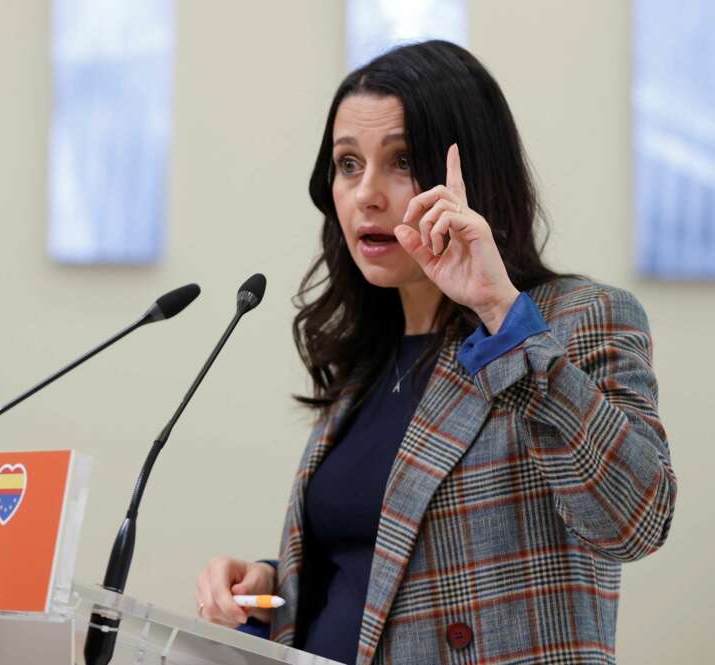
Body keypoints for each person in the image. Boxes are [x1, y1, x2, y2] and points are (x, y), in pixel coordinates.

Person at [195, 40, 677, 665]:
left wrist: (500, 315)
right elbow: (380, 571)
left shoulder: (573, 318)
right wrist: (272, 589)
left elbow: (635, 520)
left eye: (402, 161)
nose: (367, 194)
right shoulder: (367, 358)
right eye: (347, 164)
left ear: (471, 175)